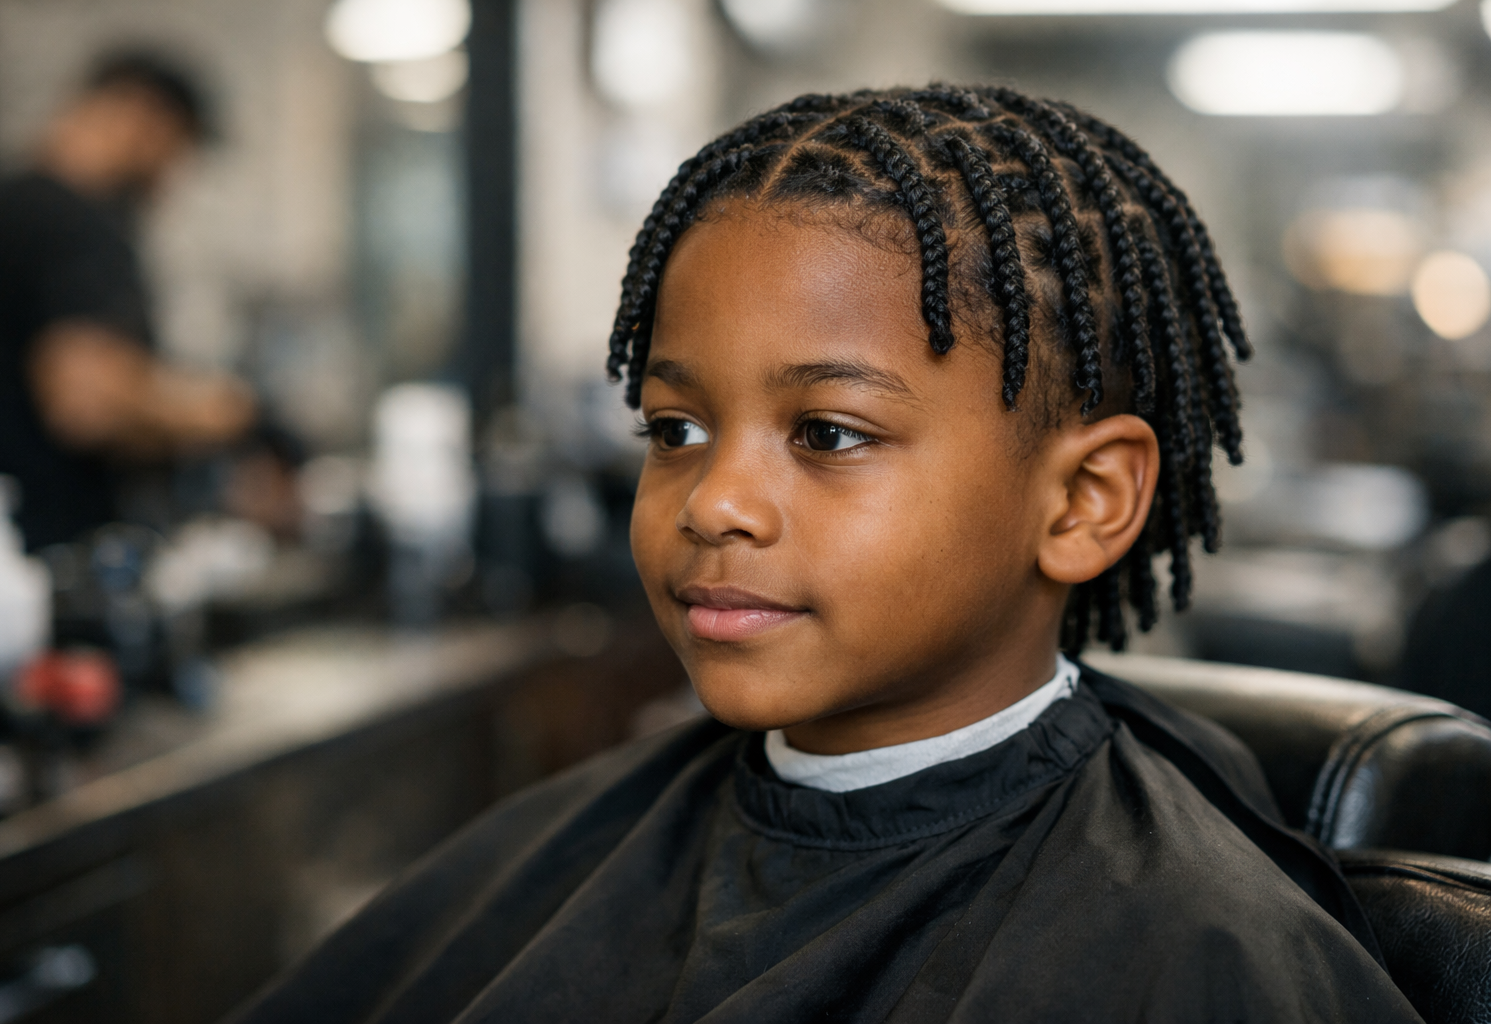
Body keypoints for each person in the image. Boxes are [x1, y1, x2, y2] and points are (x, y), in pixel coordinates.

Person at [235, 86, 1421, 1022]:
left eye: (829, 434)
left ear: (1083, 501)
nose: (715, 502)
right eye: (674, 429)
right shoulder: (580, 827)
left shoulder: (1201, 956)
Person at [0, 50, 255, 550]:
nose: (171, 181)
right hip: (45, 557)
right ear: (144, 119)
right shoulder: (75, 220)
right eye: (177, 152)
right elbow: (87, 405)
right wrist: (222, 411)